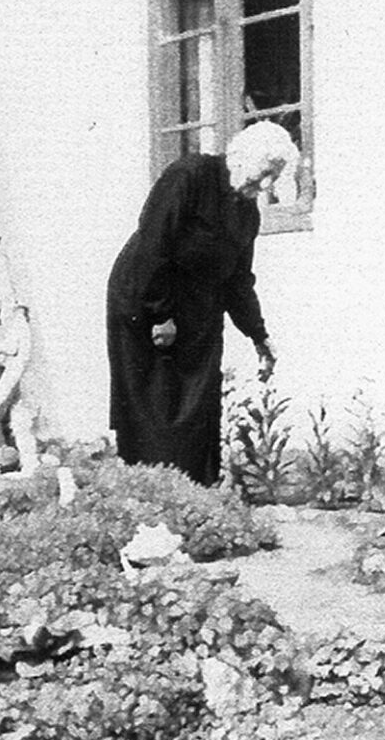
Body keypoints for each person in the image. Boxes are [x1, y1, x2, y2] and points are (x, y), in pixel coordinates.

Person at [106, 120, 297, 486]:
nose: (268, 185)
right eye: (266, 173)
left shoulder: (247, 213)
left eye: (275, 176)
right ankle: (151, 491)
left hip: (198, 306)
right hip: (144, 298)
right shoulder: (190, 176)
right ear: (240, 157)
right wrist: (160, 314)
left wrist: (259, 334)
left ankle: (196, 489)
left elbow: (239, 281)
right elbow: (154, 243)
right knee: (155, 404)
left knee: (199, 399)